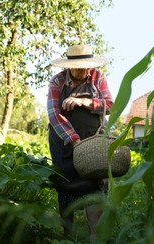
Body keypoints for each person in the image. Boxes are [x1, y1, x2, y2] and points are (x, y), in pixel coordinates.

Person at [47, 44, 113, 240]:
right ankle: (68, 236)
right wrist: (75, 141)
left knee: (95, 184)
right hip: (65, 143)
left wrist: (85, 102)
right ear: (69, 66)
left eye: (86, 66)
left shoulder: (97, 77)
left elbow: (109, 105)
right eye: (78, 66)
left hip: (93, 140)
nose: (83, 70)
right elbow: (54, 115)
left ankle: (95, 236)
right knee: (66, 184)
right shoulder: (57, 81)